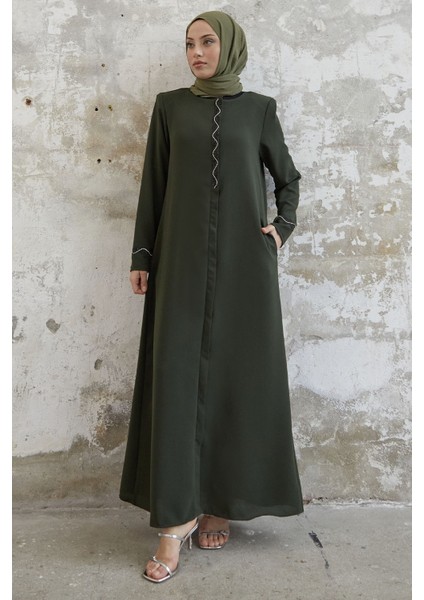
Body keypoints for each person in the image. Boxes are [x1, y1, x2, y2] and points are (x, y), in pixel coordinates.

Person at [119, 10, 303, 583]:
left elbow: (289, 178)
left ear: (230, 48)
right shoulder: (170, 108)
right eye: (189, 44)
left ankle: (220, 502)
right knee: (176, 380)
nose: (196, 52)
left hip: (246, 266)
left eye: (206, 42)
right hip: (178, 262)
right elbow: (153, 184)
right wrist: (142, 255)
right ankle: (174, 522)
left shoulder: (259, 109)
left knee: (235, 379)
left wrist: (281, 228)